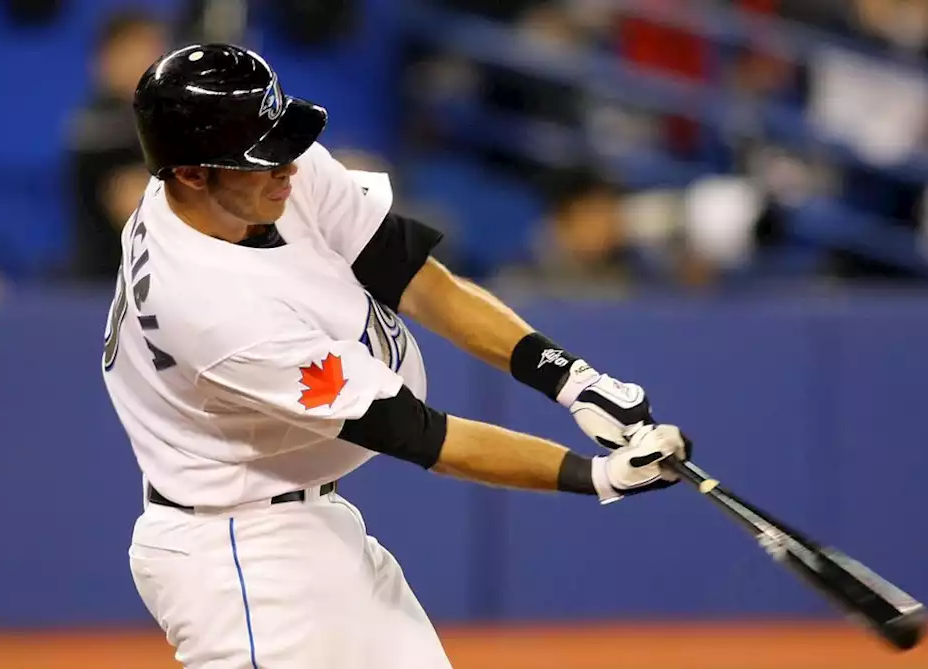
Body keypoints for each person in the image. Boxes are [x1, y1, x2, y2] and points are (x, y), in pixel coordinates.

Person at [103, 43, 692, 669]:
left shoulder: (249, 186)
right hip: (240, 555)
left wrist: (571, 380)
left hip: (308, 522)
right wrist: (595, 475)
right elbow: (425, 438)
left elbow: (417, 279)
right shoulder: (212, 309)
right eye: (263, 158)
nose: (289, 169)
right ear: (192, 173)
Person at [65, 9, 169, 282]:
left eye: (153, 51)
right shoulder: (98, 129)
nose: (146, 64)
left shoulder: (171, 123)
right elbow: (135, 206)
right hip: (110, 290)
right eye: (132, 52)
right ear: (105, 62)